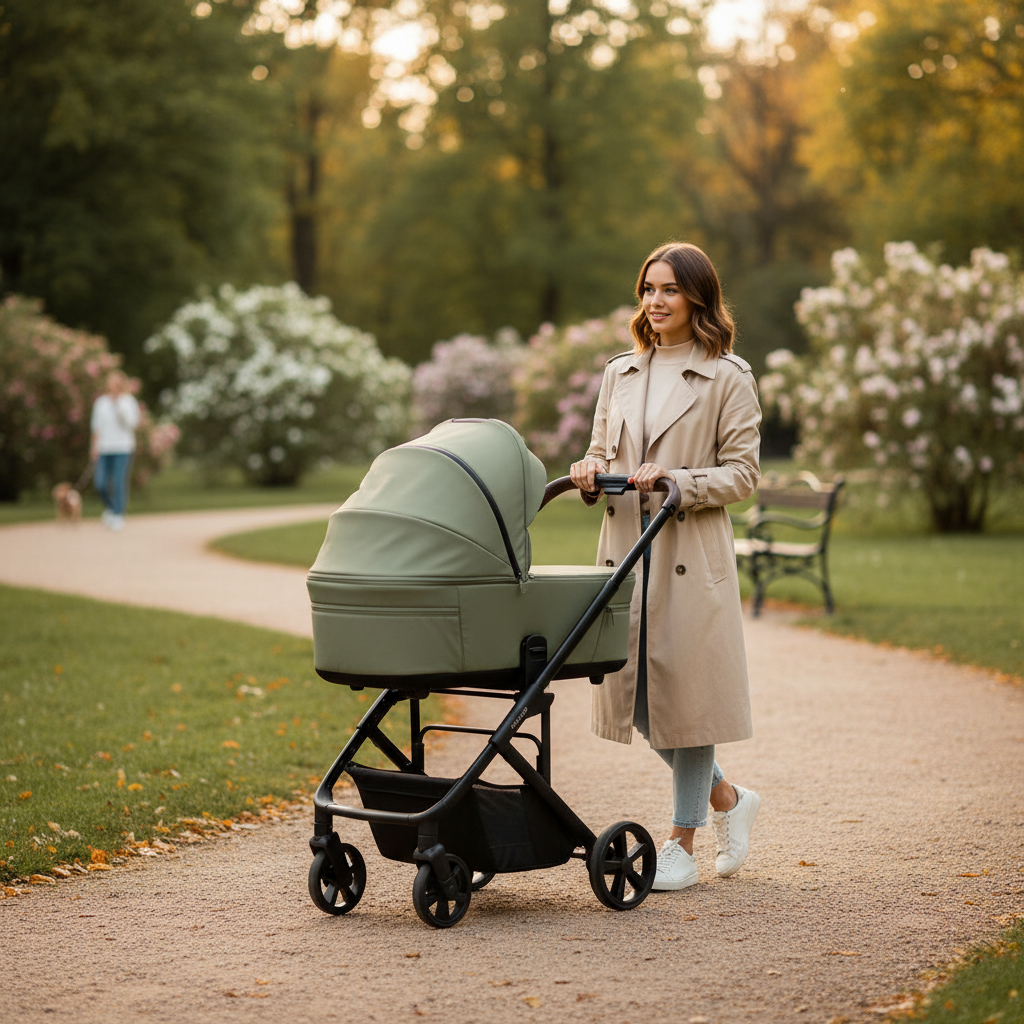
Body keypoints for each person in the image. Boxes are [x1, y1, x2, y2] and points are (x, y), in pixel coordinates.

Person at [569, 242, 761, 891]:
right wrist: (589, 470)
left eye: (670, 289)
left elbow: (743, 474)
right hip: (625, 553)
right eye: (649, 288)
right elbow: (602, 450)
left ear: (698, 297)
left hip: (687, 557)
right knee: (636, 696)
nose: (655, 300)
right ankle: (728, 798)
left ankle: (682, 840)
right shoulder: (620, 372)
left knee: (688, 698)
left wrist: (680, 479)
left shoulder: (727, 376)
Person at [90, 370, 140, 531]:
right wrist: (94, 446)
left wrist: (118, 404)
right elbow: (96, 427)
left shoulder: (128, 401)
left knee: (118, 482)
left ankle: (118, 515)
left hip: (123, 448)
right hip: (104, 448)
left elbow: (132, 423)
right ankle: (111, 508)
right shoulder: (101, 403)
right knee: (100, 483)